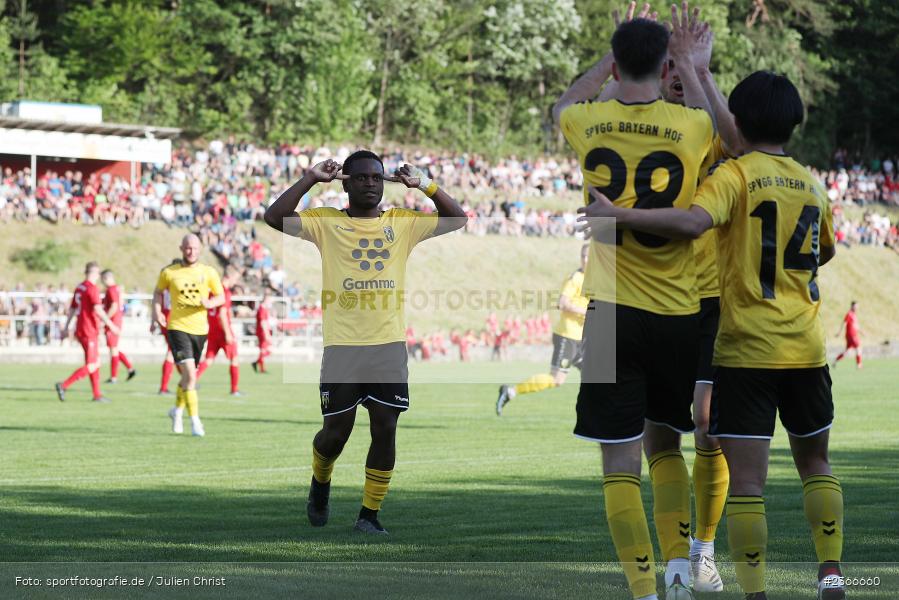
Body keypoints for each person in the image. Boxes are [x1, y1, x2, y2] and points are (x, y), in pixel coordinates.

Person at [581, 70, 844, 600]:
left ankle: (696, 558)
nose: (675, 80)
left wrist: (686, 69)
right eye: (664, 70)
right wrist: (675, 67)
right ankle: (671, 576)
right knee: (650, 443)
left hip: (705, 308)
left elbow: (577, 109)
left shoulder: (718, 144)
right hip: (633, 299)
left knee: (701, 432)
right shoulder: (805, 180)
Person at [553, 4, 716, 599]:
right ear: (664, 64)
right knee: (666, 445)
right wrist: (691, 63)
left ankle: (644, 591)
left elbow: (563, 103)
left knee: (617, 464)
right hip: (678, 311)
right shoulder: (692, 126)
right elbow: (718, 123)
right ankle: (679, 572)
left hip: (607, 311)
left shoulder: (589, 120)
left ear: (618, 65)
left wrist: (609, 55)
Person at [264, 150, 466, 535]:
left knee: (385, 427)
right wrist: (310, 178)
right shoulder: (326, 222)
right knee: (335, 435)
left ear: (384, 181)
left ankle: (369, 515)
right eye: (360, 177)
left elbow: (457, 218)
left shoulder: (402, 223)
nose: (370, 183)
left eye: (376, 177)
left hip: (388, 345)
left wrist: (424, 184)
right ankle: (320, 480)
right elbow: (275, 217)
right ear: (346, 183)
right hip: (343, 347)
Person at [496, 244, 589, 415]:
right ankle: (511, 391)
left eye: (589, 256)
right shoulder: (575, 278)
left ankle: (603, 415)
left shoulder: (594, 279)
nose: (585, 260)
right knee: (556, 379)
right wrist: (586, 312)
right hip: (568, 336)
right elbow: (562, 303)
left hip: (582, 338)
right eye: (583, 256)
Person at [153, 235, 225, 437]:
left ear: (200, 249)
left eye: (194, 248)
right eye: (187, 248)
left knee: (187, 377)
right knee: (191, 376)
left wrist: (210, 303)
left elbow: (221, 296)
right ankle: (195, 421)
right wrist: (156, 312)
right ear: (181, 248)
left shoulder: (208, 272)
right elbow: (157, 292)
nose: (191, 252)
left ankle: (176, 412)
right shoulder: (169, 272)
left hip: (200, 330)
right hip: (177, 328)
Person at [55, 262, 120, 403]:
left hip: (81, 329)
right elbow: (98, 309)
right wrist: (111, 325)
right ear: (94, 273)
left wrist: (66, 327)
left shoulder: (80, 287)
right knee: (93, 364)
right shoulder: (92, 288)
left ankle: (97, 395)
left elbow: (72, 309)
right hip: (89, 329)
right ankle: (64, 385)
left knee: (93, 362)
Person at [196, 267, 241, 395]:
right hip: (223, 330)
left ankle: (192, 380)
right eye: (235, 279)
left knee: (209, 359)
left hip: (212, 330)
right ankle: (234, 390)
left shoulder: (212, 291)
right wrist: (228, 333)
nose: (235, 282)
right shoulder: (224, 292)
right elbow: (222, 314)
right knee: (234, 359)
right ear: (229, 277)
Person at [101, 270, 136, 384]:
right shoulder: (116, 289)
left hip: (113, 322)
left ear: (106, 278)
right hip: (116, 321)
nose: (101, 282)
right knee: (114, 349)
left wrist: (105, 319)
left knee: (113, 350)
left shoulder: (111, 290)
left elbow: (114, 306)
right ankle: (130, 369)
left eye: (102, 279)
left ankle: (114, 377)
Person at [150, 287, 176, 395]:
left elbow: (155, 303)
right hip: (173, 319)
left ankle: (188, 379)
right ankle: (163, 387)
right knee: (172, 353)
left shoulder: (162, 286)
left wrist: (153, 321)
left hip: (165, 319)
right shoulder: (175, 283)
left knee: (177, 353)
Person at [833, 301, 862, 369]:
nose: (856, 307)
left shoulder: (854, 315)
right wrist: (839, 332)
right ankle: (859, 365)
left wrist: (862, 332)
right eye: (855, 306)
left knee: (846, 352)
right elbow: (844, 323)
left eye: (857, 306)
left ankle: (835, 361)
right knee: (858, 348)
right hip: (851, 335)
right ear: (852, 306)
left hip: (852, 335)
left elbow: (856, 327)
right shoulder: (849, 314)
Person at [252, 292, 272, 374]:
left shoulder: (264, 308)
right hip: (262, 332)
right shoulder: (262, 309)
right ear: (266, 300)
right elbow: (262, 322)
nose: (270, 302)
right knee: (265, 350)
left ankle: (257, 363)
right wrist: (266, 334)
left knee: (265, 350)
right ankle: (261, 368)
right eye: (269, 300)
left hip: (263, 331)